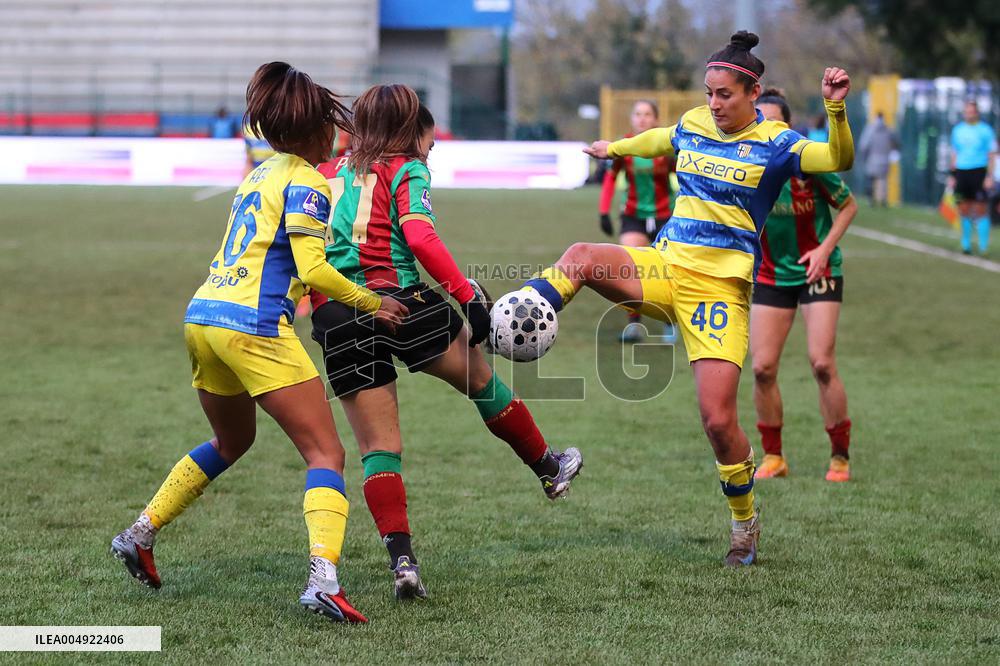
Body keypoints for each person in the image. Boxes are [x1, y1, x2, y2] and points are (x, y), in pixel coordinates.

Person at [520, 31, 853, 566]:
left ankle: (744, 522)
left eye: (724, 95)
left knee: (718, 422)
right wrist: (615, 149)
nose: (714, 104)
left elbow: (839, 156)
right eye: (708, 94)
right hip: (666, 264)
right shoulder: (696, 124)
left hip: (719, 291)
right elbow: (661, 138)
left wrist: (836, 110)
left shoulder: (778, 142)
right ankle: (523, 314)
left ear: (752, 91)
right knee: (581, 254)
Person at [110, 62, 409, 624]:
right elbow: (314, 270)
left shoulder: (259, 172)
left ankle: (139, 532)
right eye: (331, 123)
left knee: (230, 441)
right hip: (253, 325)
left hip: (203, 315)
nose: (337, 134)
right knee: (327, 453)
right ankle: (324, 579)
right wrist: (375, 302)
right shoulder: (308, 179)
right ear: (314, 129)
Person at [311, 84, 584, 599]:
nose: (428, 152)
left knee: (379, 448)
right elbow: (418, 234)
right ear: (409, 130)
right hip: (400, 301)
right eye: (428, 143)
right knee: (480, 380)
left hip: (336, 311)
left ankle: (404, 564)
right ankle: (548, 467)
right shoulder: (405, 168)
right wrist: (467, 295)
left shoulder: (329, 173)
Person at [750, 89, 858, 483]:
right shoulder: (744, 164)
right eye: (761, 120)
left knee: (821, 363)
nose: (768, 129)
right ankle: (774, 457)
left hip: (818, 271)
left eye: (776, 123)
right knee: (762, 368)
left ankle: (840, 456)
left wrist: (824, 250)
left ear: (789, 128)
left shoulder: (807, 161)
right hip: (769, 274)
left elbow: (848, 205)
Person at [598, 100, 675, 342]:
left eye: (647, 114)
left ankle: (668, 321)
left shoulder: (666, 147)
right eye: (638, 114)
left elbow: (682, 175)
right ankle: (633, 325)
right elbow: (611, 179)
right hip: (633, 215)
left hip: (664, 215)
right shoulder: (625, 146)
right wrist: (603, 211)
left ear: (655, 119)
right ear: (632, 118)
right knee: (629, 267)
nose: (642, 118)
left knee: (666, 270)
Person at [949, 100, 997, 255]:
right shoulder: (957, 130)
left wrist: (989, 176)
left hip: (979, 172)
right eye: (966, 112)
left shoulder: (986, 130)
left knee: (981, 209)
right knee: (963, 208)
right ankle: (966, 244)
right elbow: (954, 153)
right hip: (962, 172)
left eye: (971, 112)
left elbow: (991, 155)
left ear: (977, 113)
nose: (969, 114)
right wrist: (953, 175)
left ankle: (983, 247)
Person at [857, 111, 898, 207]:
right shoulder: (888, 130)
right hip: (885, 159)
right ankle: (883, 200)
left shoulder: (870, 129)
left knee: (871, 180)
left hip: (872, 158)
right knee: (883, 181)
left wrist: (864, 156)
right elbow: (895, 143)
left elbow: (864, 145)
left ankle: (871, 200)